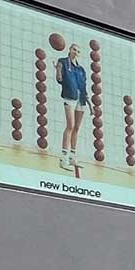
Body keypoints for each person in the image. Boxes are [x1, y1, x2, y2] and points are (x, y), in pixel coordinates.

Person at [56, 43, 89, 175]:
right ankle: (63, 158)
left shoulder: (81, 69)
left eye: (78, 50)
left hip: (80, 98)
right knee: (70, 126)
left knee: (76, 128)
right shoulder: (62, 62)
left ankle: (72, 156)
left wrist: (88, 99)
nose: (76, 52)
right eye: (74, 49)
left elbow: (84, 86)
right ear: (69, 50)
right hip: (69, 97)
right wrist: (58, 73)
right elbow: (59, 78)